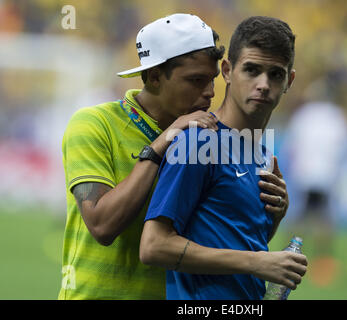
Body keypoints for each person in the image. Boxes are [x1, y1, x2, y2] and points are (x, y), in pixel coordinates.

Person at [140, 16, 308, 300]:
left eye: (276, 74)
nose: (264, 84)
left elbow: (229, 241)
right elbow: (154, 246)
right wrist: (258, 263)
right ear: (227, 71)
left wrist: (276, 219)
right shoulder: (198, 141)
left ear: (289, 80)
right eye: (252, 70)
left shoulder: (263, 154)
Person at [59, 13, 225, 300]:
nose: (210, 92)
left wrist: (274, 213)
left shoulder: (204, 139)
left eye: (212, 79)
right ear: (154, 76)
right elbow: (102, 225)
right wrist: (160, 144)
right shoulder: (92, 124)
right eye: (196, 80)